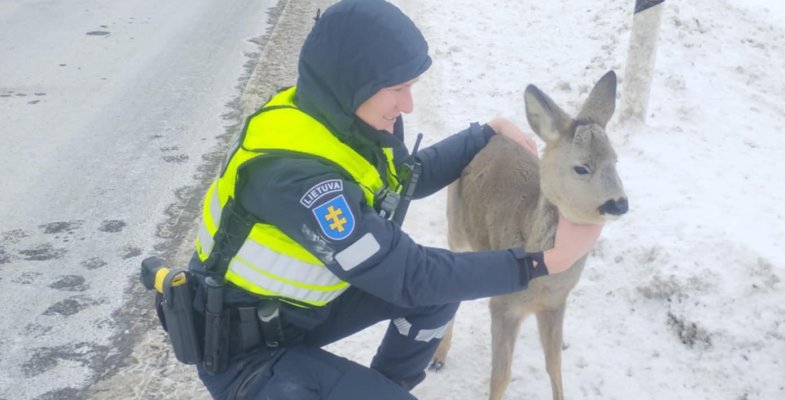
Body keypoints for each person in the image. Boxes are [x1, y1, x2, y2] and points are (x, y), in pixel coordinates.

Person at [187, 0, 602, 398]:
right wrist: (541, 263)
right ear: (355, 80)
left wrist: (484, 133)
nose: (408, 104)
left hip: (298, 313)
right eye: (398, 88)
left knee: (437, 295)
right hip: (246, 356)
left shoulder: (335, 120)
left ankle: (386, 388)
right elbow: (407, 273)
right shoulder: (298, 178)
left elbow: (407, 178)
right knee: (426, 281)